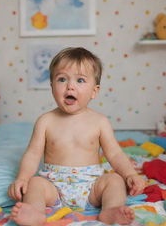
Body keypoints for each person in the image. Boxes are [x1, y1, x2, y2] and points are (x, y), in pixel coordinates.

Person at [8, 47, 146, 226]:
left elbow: (115, 154)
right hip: (54, 186)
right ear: (52, 87)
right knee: (35, 184)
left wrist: (130, 174)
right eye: (62, 79)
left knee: (114, 180)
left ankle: (110, 210)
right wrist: (23, 178)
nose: (70, 86)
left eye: (80, 80)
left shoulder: (100, 121)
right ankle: (34, 213)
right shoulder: (45, 121)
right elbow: (33, 154)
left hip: (91, 187)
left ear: (94, 91)